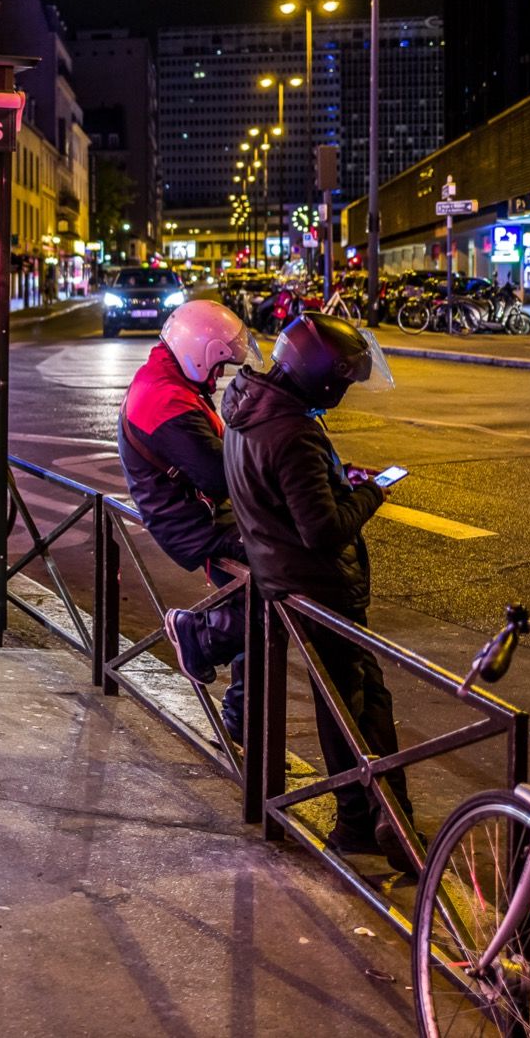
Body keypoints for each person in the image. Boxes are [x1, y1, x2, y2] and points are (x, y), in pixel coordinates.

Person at [221, 312, 410, 868]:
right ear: (324, 380)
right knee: (351, 705)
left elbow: (281, 492)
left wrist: (337, 478)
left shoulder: (250, 408)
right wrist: (372, 493)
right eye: (343, 382)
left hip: (282, 578)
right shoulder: (295, 432)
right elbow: (323, 531)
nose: (345, 393)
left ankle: (380, 813)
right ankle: (366, 818)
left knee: (359, 699)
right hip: (317, 588)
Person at [118, 300, 258, 741]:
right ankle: (199, 633)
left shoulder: (168, 380)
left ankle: (242, 723)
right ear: (199, 353)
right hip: (196, 527)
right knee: (277, 584)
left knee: (262, 602)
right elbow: (220, 476)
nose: (219, 377)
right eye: (218, 365)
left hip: (197, 514)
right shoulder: (166, 401)